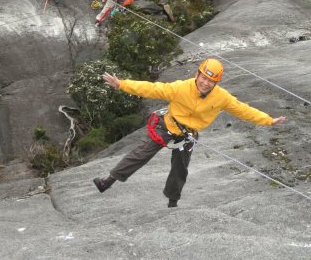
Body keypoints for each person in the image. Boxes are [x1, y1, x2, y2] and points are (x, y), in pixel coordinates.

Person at [93, 58, 287, 208]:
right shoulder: (181, 88)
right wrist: (122, 85)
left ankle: (172, 202)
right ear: (197, 74)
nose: (205, 83)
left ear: (216, 82)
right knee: (141, 154)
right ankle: (107, 182)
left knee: (180, 169)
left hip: (188, 136)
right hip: (167, 126)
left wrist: (268, 120)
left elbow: (243, 109)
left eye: (211, 81)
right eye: (203, 78)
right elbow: (152, 89)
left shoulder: (222, 97)